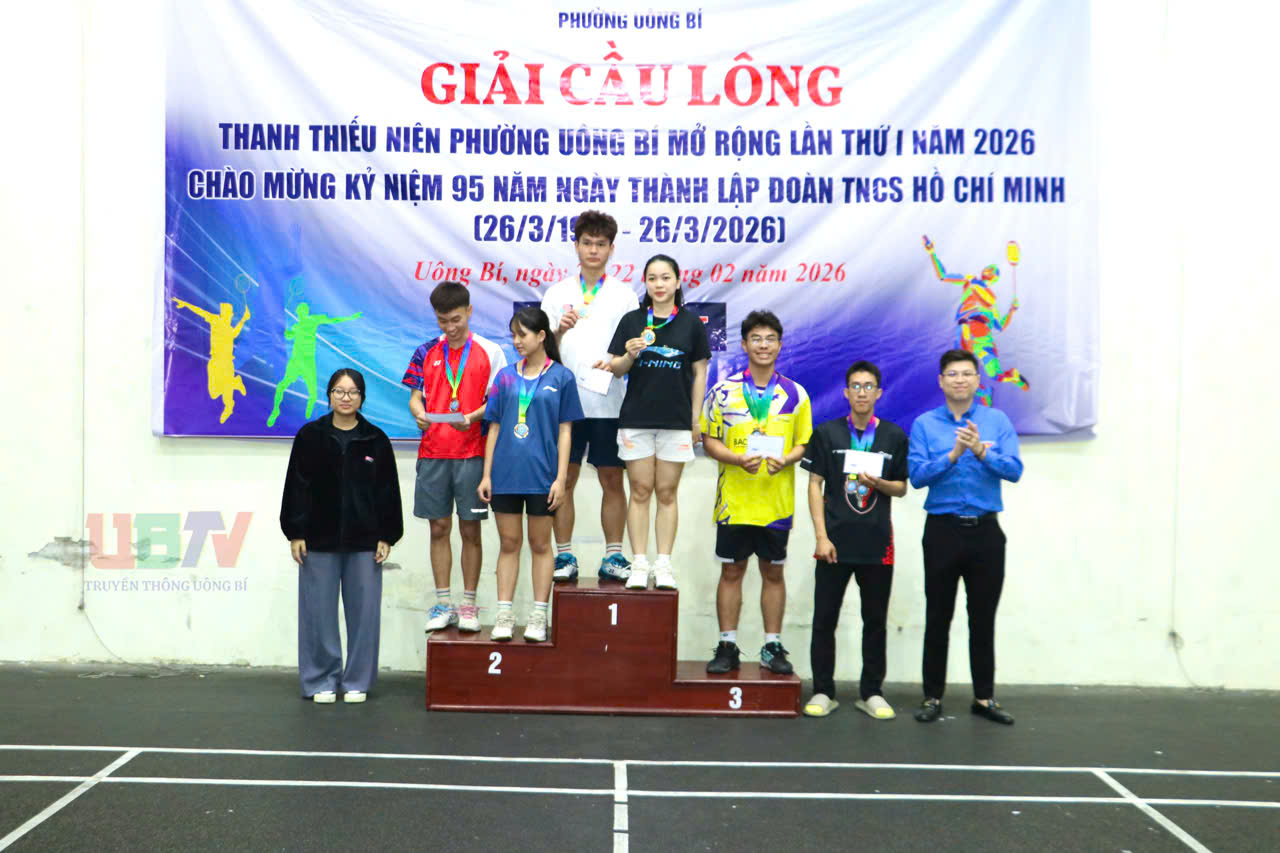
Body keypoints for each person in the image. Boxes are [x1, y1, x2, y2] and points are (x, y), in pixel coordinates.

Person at [908, 349, 1023, 725]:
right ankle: (931, 697)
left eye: (967, 373)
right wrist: (955, 454)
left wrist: (981, 453)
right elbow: (917, 477)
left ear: (977, 380)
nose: (960, 380)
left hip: (986, 533)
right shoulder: (925, 424)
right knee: (937, 617)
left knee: (982, 618)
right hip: (942, 531)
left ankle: (984, 698)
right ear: (941, 381)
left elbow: (1014, 470)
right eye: (953, 374)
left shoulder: (997, 421)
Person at [280, 368, 403, 704]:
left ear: (362, 397)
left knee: (364, 616)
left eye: (352, 392)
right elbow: (296, 487)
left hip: (365, 542)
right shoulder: (310, 436)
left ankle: (357, 681)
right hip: (317, 540)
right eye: (339, 391)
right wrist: (296, 532)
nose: (345, 398)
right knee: (318, 615)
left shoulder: (376, 439)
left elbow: (388, 491)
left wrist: (387, 535)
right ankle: (321, 679)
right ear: (329, 395)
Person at [700, 311, 812, 675]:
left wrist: (787, 459)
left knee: (773, 574)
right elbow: (709, 439)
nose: (763, 345)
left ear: (780, 345)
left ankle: (771, 645)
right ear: (745, 344)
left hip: (776, 503)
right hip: (734, 503)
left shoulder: (796, 394)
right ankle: (727, 644)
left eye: (770, 339)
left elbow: (802, 443)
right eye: (756, 339)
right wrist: (735, 459)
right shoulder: (722, 391)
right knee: (731, 571)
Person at [800, 360, 909, 719]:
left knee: (875, 622)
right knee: (824, 620)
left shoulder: (893, 436)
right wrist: (821, 536)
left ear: (879, 393)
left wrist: (880, 484)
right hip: (833, 544)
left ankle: (872, 692)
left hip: (877, 545)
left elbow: (901, 488)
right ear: (846, 392)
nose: (862, 392)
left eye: (869, 386)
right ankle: (823, 691)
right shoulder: (827, 433)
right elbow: (814, 484)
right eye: (856, 386)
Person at [596, 254, 710, 590]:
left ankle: (663, 564)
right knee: (640, 491)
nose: (659, 285)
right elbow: (616, 370)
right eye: (652, 279)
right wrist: (629, 355)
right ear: (645, 283)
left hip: (676, 421)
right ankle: (639, 563)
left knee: (667, 492)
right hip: (637, 419)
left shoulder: (691, 323)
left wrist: (695, 420)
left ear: (677, 281)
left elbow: (700, 373)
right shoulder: (633, 320)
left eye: (665, 278)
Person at [403, 282, 507, 634]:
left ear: (469, 312)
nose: (450, 327)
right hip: (433, 452)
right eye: (442, 320)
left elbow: (497, 401)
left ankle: (468, 605)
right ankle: (443, 603)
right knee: (438, 528)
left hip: (472, 453)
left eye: (456, 319)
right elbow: (415, 397)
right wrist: (419, 413)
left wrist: (473, 416)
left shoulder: (490, 351)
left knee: (470, 529)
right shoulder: (425, 351)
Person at [540, 211, 638, 584]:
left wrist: (617, 363)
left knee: (612, 479)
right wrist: (558, 331)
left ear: (611, 249)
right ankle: (564, 555)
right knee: (563, 479)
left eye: (600, 244)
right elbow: (542, 350)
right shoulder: (557, 293)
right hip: (564, 403)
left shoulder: (624, 295)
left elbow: (632, 351)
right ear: (576, 246)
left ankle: (613, 555)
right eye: (587, 243)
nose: (593, 250)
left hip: (609, 401)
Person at [478, 307, 584, 642]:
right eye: (513, 334)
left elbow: (566, 431)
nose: (516, 341)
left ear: (541, 336)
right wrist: (486, 475)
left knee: (540, 544)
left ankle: (539, 615)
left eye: (522, 334)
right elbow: (494, 428)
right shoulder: (504, 378)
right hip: (506, 475)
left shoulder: (562, 378)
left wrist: (561, 479)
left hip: (543, 477)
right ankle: (504, 614)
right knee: (509, 543)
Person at [922, 235, 1029, 406]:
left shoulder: (984, 293)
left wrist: (1011, 310)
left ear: (994, 278)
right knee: (992, 374)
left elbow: (1000, 325)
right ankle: (1007, 379)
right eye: (988, 268)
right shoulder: (976, 286)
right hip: (981, 334)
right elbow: (943, 275)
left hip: (971, 330)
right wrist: (932, 252)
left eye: (993, 270)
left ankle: (985, 392)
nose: (989, 270)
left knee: (960, 369)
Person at [267, 302, 362, 427]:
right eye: (300, 311)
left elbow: (333, 320)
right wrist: (283, 331)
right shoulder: (296, 326)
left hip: (308, 362)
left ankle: (309, 409)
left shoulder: (313, 320)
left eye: (304, 310)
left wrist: (350, 317)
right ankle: (275, 411)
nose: (302, 313)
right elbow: (289, 336)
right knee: (281, 387)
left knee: (313, 394)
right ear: (298, 313)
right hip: (295, 361)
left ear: (306, 311)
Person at [172, 298, 249, 423]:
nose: (226, 315)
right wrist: (185, 304)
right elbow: (199, 311)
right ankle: (235, 382)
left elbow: (235, 333)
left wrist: (244, 319)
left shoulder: (229, 328)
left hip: (227, 363)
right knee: (214, 393)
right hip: (214, 361)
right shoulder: (215, 320)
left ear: (230, 315)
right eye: (223, 312)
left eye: (227, 313)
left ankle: (229, 408)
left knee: (227, 394)